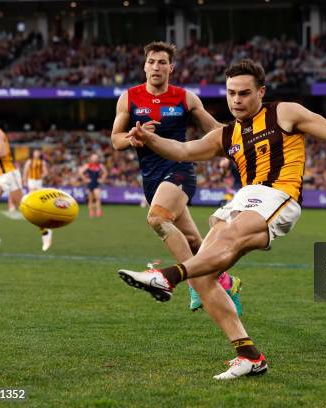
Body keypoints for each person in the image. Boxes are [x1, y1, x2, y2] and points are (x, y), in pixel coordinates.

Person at [118, 59, 326, 380]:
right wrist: (146, 138)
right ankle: (249, 355)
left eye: (244, 93)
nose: (236, 100)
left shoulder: (284, 112)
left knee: (227, 238)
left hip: (279, 196)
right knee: (203, 275)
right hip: (245, 199)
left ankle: (166, 277)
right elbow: (183, 151)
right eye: (231, 94)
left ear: (260, 92)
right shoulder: (226, 135)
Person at [110, 41, 242, 314]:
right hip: (151, 179)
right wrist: (132, 137)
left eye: (161, 62)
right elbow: (115, 140)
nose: (156, 67)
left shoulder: (186, 98)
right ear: (144, 66)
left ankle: (194, 282)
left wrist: (245, 141)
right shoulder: (129, 98)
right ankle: (228, 282)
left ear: (171, 68)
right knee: (194, 241)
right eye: (151, 62)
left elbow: (216, 131)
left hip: (180, 170)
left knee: (157, 218)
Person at [0, 111, 52, 251]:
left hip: (9, 175)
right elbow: (4, 154)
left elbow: (1, 152)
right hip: (0, 174)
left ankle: (46, 231)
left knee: (25, 208)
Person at [78, 153, 108, 218]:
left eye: (96, 158)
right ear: (91, 159)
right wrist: (85, 179)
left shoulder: (100, 165)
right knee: (90, 198)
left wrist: (102, 179)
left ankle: (98, 211)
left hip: (96, 183)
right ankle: (91, 211)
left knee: (98, 197)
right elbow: (80, 172)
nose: (95, 159)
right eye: (94, 158)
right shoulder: (88, 165)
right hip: (90, 183)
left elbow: (105, 172)